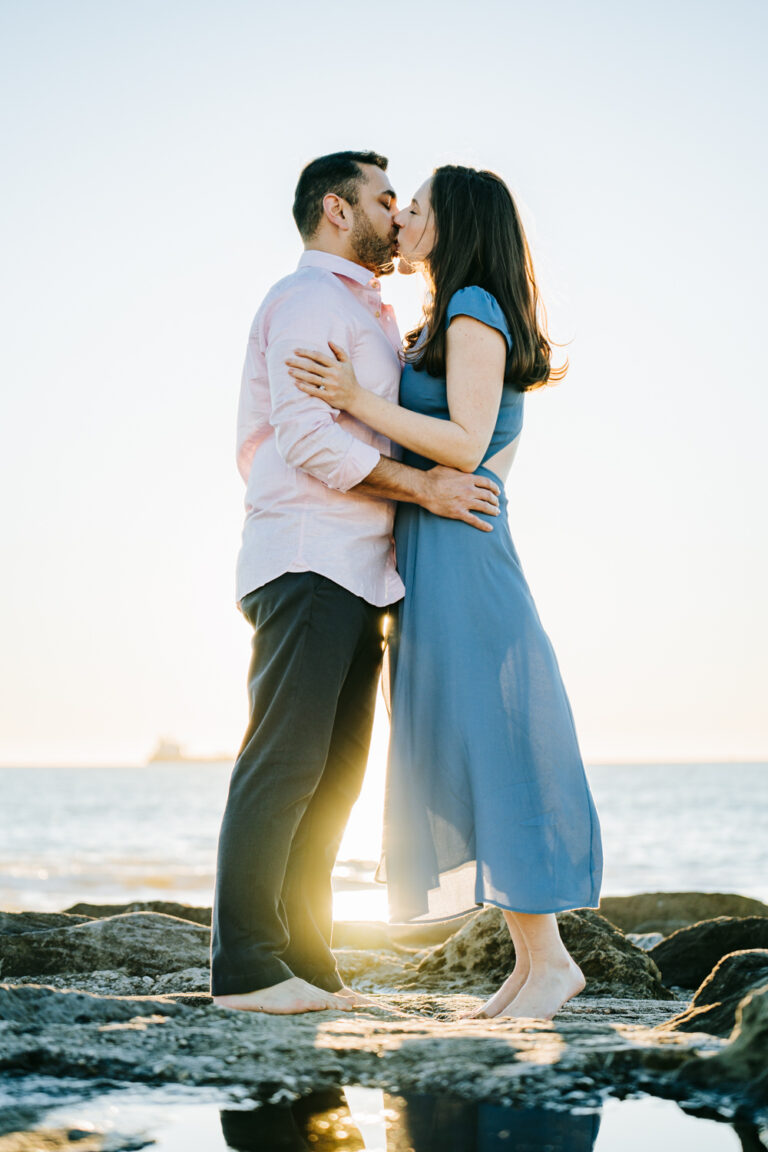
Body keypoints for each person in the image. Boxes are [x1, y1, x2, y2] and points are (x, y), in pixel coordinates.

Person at [287, 164, 603, 1020]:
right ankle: (533, 962)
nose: (402, 218)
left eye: (416, 208)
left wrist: (354, 397)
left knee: (493, 748)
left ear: (452, 223)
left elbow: (465, 444)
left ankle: (549, 963)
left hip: (463, 555)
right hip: (438, 553)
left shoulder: (472, 310)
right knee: (470, 747)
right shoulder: (450, 313)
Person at [210, 152, 501, 1016]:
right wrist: (425, 488)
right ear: (338, 210)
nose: (398, 214)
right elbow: (307, 441)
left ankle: (308, 963)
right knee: (283, 761)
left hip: (361, 570)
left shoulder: (370, 313)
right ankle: (247, 969)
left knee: (334, 773)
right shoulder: (305, 301)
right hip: (306, 557)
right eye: (385, 200)